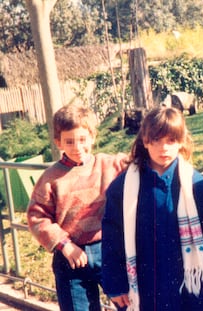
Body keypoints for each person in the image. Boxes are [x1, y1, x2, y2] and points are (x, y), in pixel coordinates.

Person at [101, 106, 203, 311]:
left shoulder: (194, 183)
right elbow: (112, 237)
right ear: (145, 141)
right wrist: (115, 285)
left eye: (170, 140)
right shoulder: (123, 188)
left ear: (181, 141)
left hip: (190, 282)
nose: (163, 148)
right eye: (156, 140)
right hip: (147, 285)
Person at [27, 104, 128, 311]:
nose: (77, 147)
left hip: (110, 251)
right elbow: (37, 217)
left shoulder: (109, 164)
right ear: (58, 142)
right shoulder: (50, 178)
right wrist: (64, 245)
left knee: (130, 303)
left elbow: (141, 159)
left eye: (82, 139)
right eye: (69, 142)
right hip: (70, 257)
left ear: (92, 136)